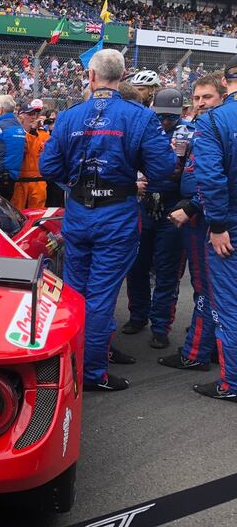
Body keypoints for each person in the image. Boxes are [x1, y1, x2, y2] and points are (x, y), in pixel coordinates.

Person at [39, 49, 177, 392]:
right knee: (100, 296)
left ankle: (67, 365)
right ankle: (90, 373)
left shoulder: (71, 116)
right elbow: (163, 169)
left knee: (74, 292)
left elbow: (49, 167)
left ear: (90, 76)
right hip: (116, 215)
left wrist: (74, 182)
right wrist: (132, 180)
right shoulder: (139, 116)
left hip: (80, 214)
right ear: (123, 76)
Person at [165, 73, 226, 372]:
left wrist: (191, 207)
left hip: (207, 221)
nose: (201, 103)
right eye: (197, 98)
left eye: (208, 97)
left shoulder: (218, 128)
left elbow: (216, 181)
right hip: (201, 217)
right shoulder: (201, 128)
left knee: (204, 287)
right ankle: (214, 345)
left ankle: (196, 352)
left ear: (222, 96)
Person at [123, 88, 189, 349]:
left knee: (167, 270)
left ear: (181, 113)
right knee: (137, 266)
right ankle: (138, 315)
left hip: (173, 209)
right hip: (143, 204)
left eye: (170, 118)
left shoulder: (192, 132)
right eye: (160, 116)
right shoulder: (144, 128)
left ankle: (160, 326)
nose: (165, 122)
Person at [188, 56, 237, 402]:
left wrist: (217, 225)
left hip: (229, 226)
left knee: (229, 305)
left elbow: (210, 178)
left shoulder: (214, 121)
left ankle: (232, 383)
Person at [11, 100, 49, 210]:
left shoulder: (43, 134)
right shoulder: (16, 133)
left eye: (36, 114)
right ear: (21, 116)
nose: (33, 117)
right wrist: (32, 131)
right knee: (17, 213)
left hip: (39, 180)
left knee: (37, 214)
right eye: (30, 114)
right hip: (20, 181)